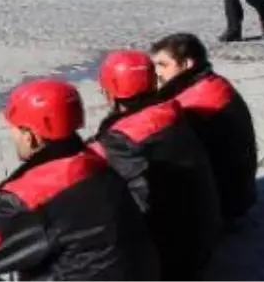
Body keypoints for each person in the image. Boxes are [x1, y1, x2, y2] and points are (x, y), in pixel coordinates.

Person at [0, 78, 159, 281]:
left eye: (15, 130)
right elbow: (61, 218)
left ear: (31, 136)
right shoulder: (96, 163)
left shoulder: (32, 194)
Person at [89, 50, 222, 282]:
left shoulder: (121, 140)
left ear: (109, 93)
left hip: (171, 264)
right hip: (202, 242)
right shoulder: (173, 114)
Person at [150, 32, 257, 223]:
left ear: (187, 64)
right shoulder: (211, 82)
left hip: (223, 203)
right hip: (236, 191)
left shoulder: (196, 101)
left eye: (163, 65)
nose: (157, 73)